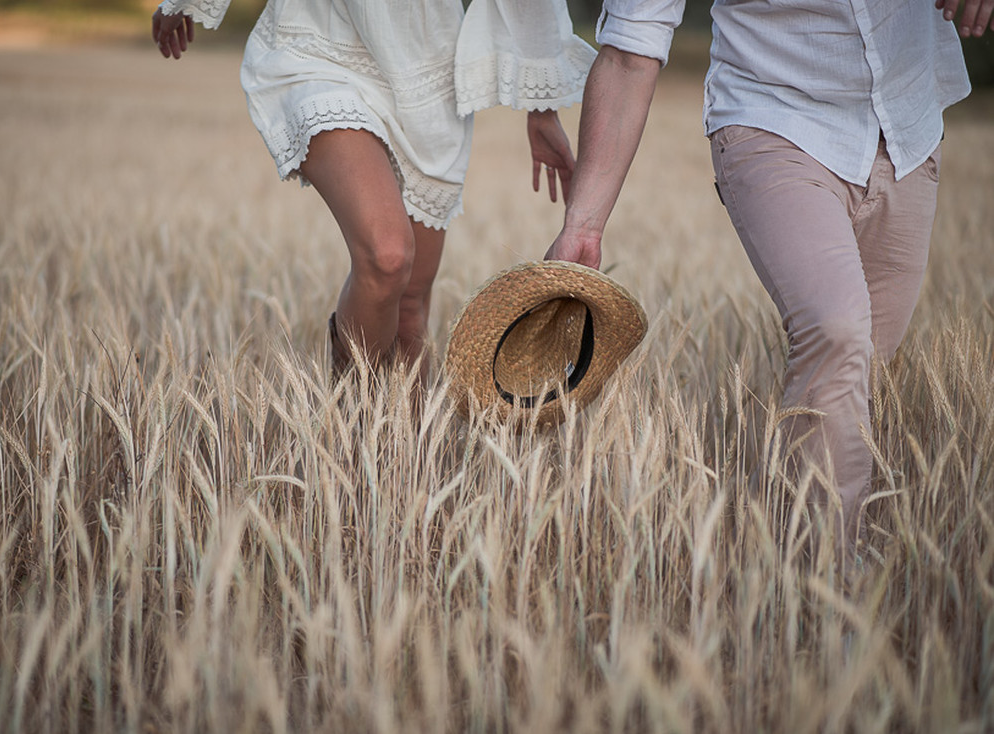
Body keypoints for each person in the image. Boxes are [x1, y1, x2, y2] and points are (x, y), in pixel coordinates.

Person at [545, 0, 992, 560]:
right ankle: (823, 593)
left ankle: (770, 556)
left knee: (862, 373)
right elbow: (632, 44)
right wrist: (583, 223)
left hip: (905, 125)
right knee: (835, 330)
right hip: (772, 113)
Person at [151, 0, 597, 385]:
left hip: (428, 71)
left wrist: (541, 107)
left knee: (409, 306)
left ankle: (404, 471)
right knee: (387, 257)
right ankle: (348, 444)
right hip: (319, 43)